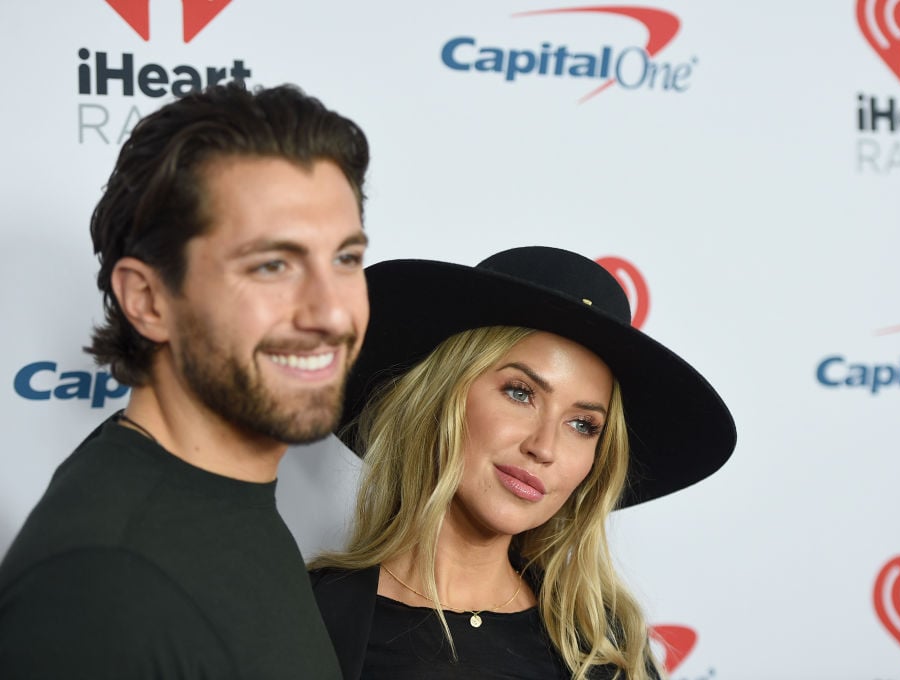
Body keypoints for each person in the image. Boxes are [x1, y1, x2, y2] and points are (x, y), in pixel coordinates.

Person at [0, 83, 370, 678]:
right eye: (272, 265)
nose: (330, 312)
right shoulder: (101, 585)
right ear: (148, 300)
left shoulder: (219, 489)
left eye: (345, 260)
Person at [309, 246, 736, 679]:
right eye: (520, 393)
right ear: (441, 396)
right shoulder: (306, 617)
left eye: (583, 425)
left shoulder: (606, 647)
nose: (544, 447)